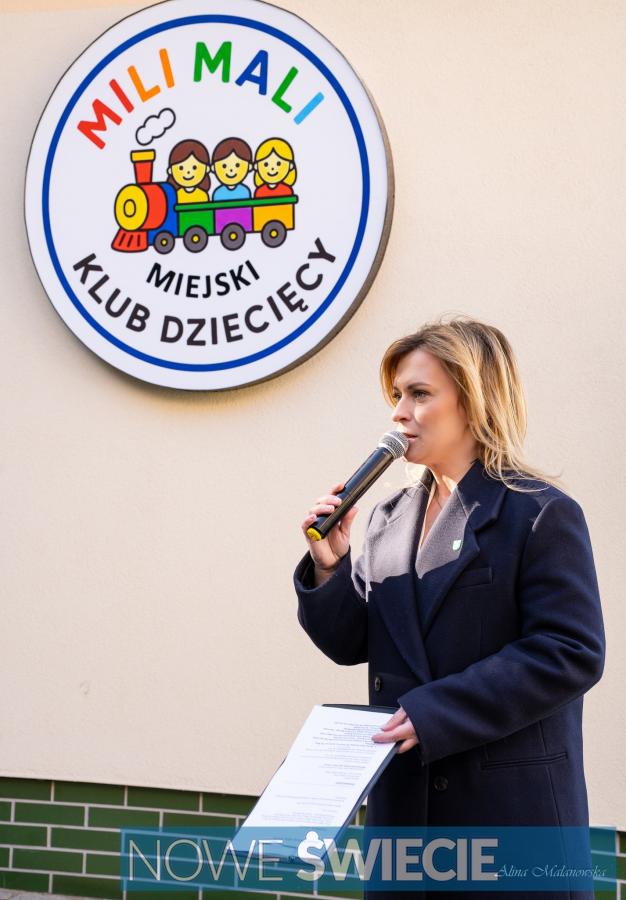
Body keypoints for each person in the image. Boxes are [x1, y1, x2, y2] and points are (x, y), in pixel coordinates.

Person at [294, 317, 605, 900]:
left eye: (419, 394)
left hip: (508, 818)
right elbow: (349, 642)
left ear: (473, 399)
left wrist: (434, 713)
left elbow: (570, 651)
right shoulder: (386, 519)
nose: (399, 413)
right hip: (406, 821)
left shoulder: (539, 513)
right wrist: (329, 567)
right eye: (396, 396)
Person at [167, 139, 210, 203]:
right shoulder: (176, 195)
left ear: (206, 169)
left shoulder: (203, 195)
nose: (188, 172)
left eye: (194, 167)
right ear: (170, 170)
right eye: (181, 168)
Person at [212, 137, 253, 201]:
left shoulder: (245, 191)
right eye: (224, 166)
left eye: (237, 165)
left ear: (249, 166)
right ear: (213, 168)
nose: (231, 170)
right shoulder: (218, 193)